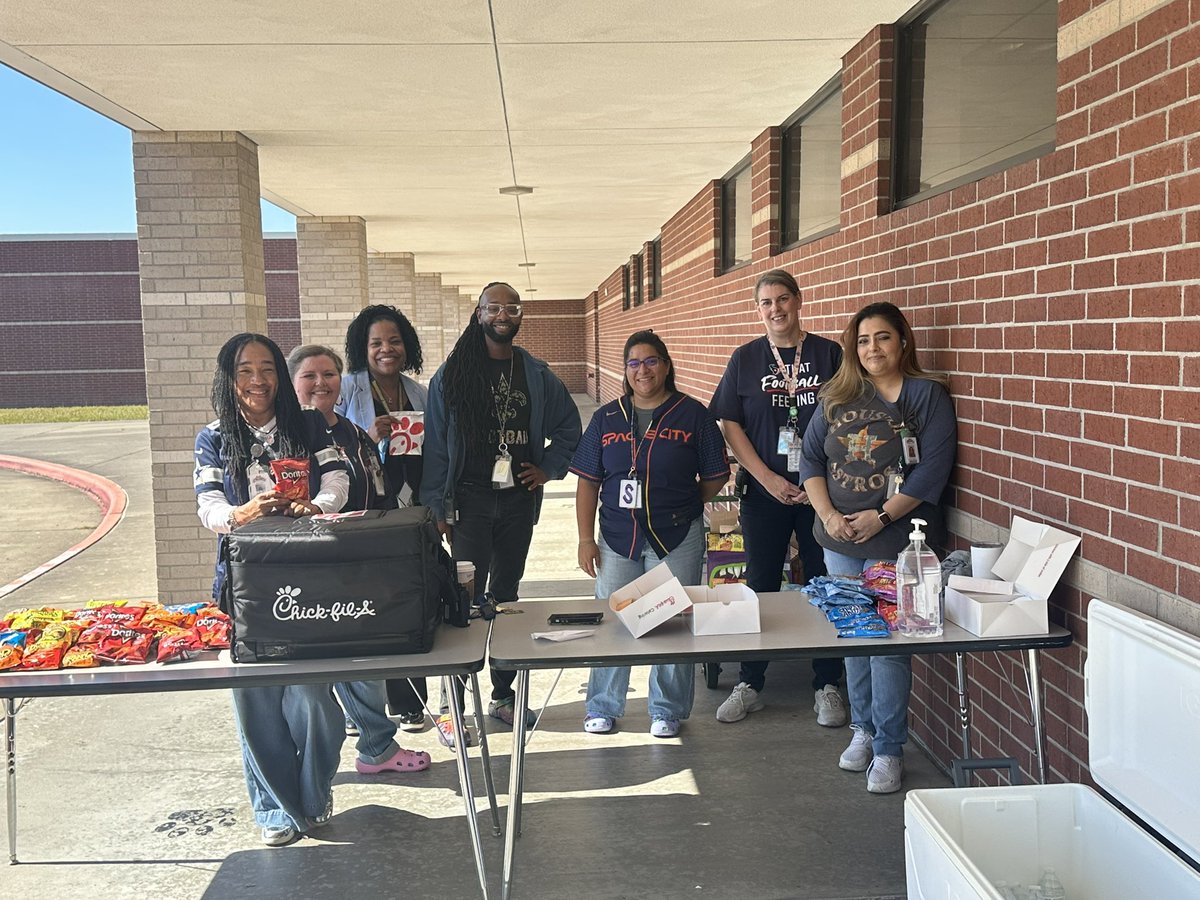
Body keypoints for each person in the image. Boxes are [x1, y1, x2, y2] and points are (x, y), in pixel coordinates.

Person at [193, 332, 349, 847]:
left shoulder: (307, 424)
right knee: (257, 699)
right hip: (245, 585)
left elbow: (338, 479)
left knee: (312, 695)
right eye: (244, 370)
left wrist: (318, 507)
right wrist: (237, 515)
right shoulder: (214, 437)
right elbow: (208, 502)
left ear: (280, 376)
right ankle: (275, 811)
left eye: (266, 369)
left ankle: (312, 794)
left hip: (309, 579)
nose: (257, 381)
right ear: (228, 379)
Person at [800, 301, 957, 794]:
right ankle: (862, 732)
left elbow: (933, 466)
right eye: (864, 340)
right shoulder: (837, 395)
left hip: (897, 539)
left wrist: (883, 514)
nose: (873, 348)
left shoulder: (925, 395)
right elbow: (809, 462)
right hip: (840, 538)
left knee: (888, 646)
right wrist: (828, 515)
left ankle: (890, 749)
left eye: (883, 337)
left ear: (903, 342)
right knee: (854, 636)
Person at [422, 282, 581, 727]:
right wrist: (437, 506)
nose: (502, 314)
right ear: (478, 314)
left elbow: (570, 427)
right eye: (493, 307)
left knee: (507, 597)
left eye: (511, 307)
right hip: (470, 502)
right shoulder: (450, 376)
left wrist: (548, 468)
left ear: (521, 315)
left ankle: (503, 694)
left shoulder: (535, 374)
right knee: (465, 600)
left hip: (516, 503)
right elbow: (436, 447)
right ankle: (454, 697)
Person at [571, 331, 729, 738]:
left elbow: (716, 473)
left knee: (672, 620)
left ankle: (667, 710)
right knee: (613, 620)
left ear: (667, 365)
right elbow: (588, 481)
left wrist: (686, 501)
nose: (643, 370)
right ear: (625, 370)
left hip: (676, 533)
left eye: (652, 361)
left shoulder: (693, 414)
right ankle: (603, 706)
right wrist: (585, 538)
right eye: (634, 363)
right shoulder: (606, 417)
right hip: (619, 535)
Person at [708, 269, 847, 727]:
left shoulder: (829, 354)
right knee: (761, 582)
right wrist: (765, 476)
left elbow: (850, 417)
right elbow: (730, 422)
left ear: (799, 301)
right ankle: (751, 681)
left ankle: (827, 683)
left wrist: (817, 482)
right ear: (758, 309)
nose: (775, 309)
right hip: (765, 492)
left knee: (824, 583)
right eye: (766, 302)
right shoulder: (745, 359)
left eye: (782, 299)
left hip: (822, 494)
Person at [287, 343, 433, 775]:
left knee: (364, 662)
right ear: (291, 383)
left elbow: (370, 487)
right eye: (309, 376)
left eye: (329, 374)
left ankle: (374, 745)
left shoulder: (350, 431)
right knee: (324, 677)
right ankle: (360, 750)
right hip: (310, 570)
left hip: (359, 563)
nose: (320, 384)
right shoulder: (290, 438)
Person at [335, 305, 436, 738]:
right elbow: (332, 447)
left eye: (394, 341)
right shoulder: (346, 389)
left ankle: (410, 702)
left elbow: (433, 456)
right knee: (365, 609)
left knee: (409, 602)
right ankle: (360, 709)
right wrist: (369, 438)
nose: (386, 350)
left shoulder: (419, 394)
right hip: (367, 514)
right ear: (363, 348)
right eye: (376, 343)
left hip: (410, 514)